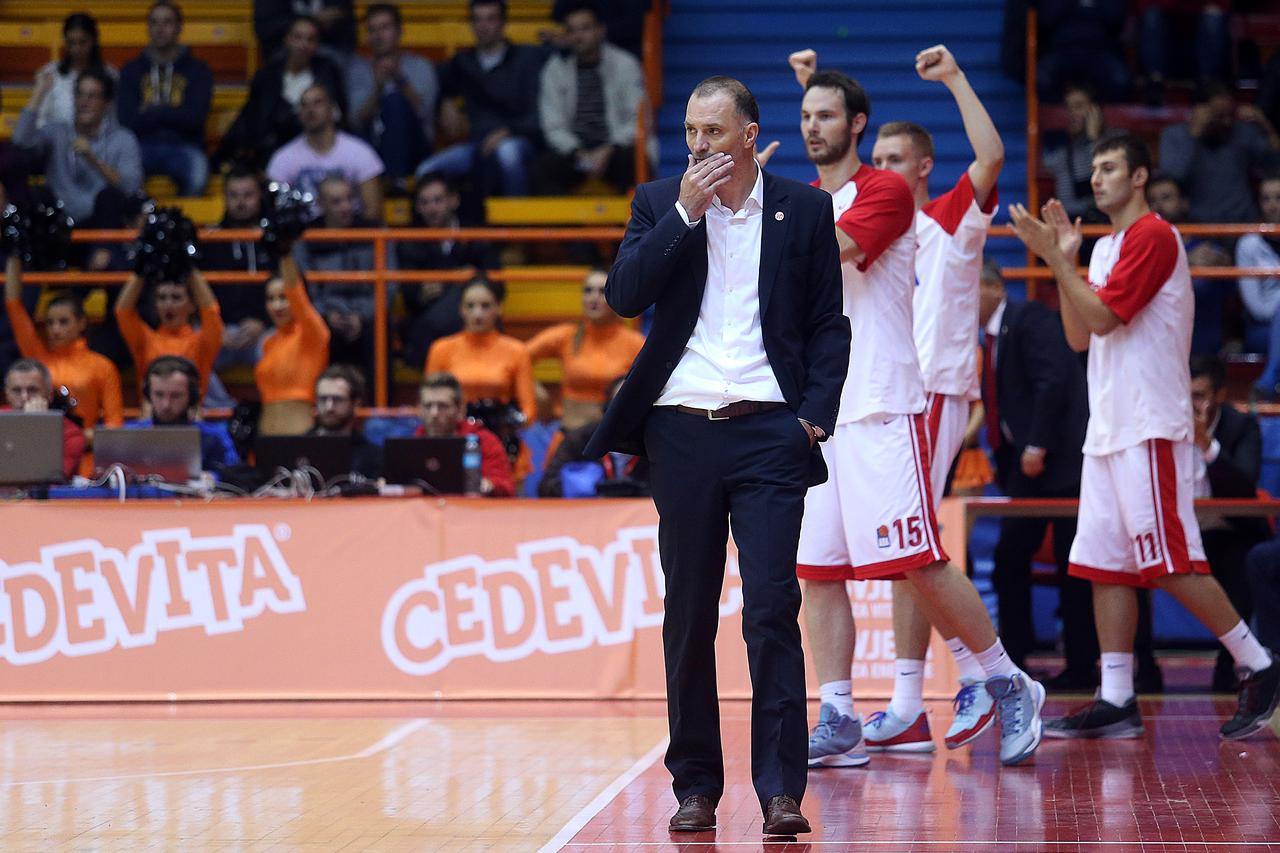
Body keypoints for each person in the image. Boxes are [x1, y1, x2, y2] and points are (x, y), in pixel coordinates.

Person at [582, 76, 851, 837]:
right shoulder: (657, 201)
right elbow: (626, 294)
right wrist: (681, 215)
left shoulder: (803, 208)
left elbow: (829, 327)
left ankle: (779, 792)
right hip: (682, 428)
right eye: (692, 131)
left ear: (747, 133)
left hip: (772, 429)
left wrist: (813, 419)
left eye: (712, 132)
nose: (698, 145)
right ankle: (695, 783)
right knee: (689, 610)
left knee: (771, 607)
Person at [782, 64, 1046, 768]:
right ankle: (836, 712)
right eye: (805, 114)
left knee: (918, 561)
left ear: (856, 125)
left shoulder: (887, 191)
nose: (814, 126)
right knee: (818, 570)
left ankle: (1004, 677)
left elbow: (826, 253)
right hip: (821, 411)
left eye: (827, 115)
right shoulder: (804, 200)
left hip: (885, 401)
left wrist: (750, 210)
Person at [1009, 131, 1280, 741]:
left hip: (1150, 424)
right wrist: (1069, 260)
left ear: (1138, 177)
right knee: (1107, 565)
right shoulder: (1105, 249)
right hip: (1109, 428)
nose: (1095, 177)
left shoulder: (1156, 235)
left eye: (1108, 168)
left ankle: (1259, 664)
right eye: (1094, 167)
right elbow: (1082, 337)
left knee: (1169, 560)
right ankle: (1116, 696)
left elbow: (1105, 316)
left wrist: (1055, 259)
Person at [976, 260, 1097, 689]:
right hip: (1028, 470)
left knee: (1074, 567)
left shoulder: (1028, 317)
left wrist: (1036, 445)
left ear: (990, 286)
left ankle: (1082, 669)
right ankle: (1016, 659)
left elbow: (1054, 381)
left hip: (1061, 464)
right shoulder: (992, 335)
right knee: (1009, 559)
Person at [415, 0, 548, 197]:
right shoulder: (463, 62)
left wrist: (507, 132)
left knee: (508, 153)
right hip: (477, 146)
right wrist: (444, 100)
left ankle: (518, 222)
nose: (483, 26)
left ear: (503, 23)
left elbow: (544, 113)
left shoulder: (528, 58)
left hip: (521, 141)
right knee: (426, 171)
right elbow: (432, 78)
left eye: (490, 19)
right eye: (477, 20)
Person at [1190, 354, 1268, 692]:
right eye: (1184, 394)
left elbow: (1245, 486)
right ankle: (1141, 667)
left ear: (1219, 394)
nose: (1190, 403)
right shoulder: (1161, 423)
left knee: (1244, 559)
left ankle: (1231, 667)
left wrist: (1206, 444)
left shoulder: (1241, 426)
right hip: (1177, 528)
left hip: (1228, 528)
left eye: (1198, 395)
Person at [532, 1, 651, 195]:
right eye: (572, 31)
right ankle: (559, 225)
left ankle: (635, 222)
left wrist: (608, 149)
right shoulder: (554, 69)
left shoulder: (625, 65)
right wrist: (577, 152)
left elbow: (638, 119)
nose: (578, 36)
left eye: (585, 29)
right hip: (574, 152)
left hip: (614, 150)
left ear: (601, 30)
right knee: (541, 168)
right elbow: (552, 124)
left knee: (633, 161)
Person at [4, 255, 123, 443]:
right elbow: (13, 305)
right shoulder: (37, 359)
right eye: (50, 323)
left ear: (82, 322)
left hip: (84, 457)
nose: (55, 329)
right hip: (34, 445)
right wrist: (15, 254)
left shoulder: (102, 366)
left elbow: (114, 427)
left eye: (63, 322)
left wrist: (69, 439)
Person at [217, 16, 349, 172]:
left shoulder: (328, 73)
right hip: (271, 152)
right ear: (287, 39)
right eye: (298, 37)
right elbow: (252, 119)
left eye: (310, 39)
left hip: (318, 145)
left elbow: (339, 115)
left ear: (317, 44)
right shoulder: (267, 76)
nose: (303, 44)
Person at [12, 68, 142, 223]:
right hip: (60, 221)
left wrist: (92, 159)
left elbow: (130, 188)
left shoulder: (123, 139)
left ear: (106, 102)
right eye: (79, 94)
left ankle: (103, 248)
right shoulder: (57, 132)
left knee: (110, 198)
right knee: (37, 194)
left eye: (92, 96)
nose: (84, 102)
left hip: (102, 221)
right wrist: (39, 92)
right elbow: (20, 140)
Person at [396, 173, 499, 367]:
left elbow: (497, 285)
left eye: (437, 200)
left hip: (465, 322)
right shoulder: (409, 241)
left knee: (468, 294)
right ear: (417, 207)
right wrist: (457, 279)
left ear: (454, 200)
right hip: (427, 317)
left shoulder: (476, 233)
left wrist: (453, 283)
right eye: (424, 203)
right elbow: (410, 294)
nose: (431, 209)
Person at [525, 268, 645, 430]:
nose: (594, 298)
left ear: (617, 297)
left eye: (602, 291)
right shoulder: (566, 336)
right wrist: (539, 394)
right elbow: (517, 357)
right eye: (588, 291)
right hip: (569, 434)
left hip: (613, 439)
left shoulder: (634, 342)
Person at [293, 176, 385, 382]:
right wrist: (327, 314)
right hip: (326, 313)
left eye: (349, 199)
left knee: (380, 329)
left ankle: (379, 408)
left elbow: (388, 285)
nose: (345, 207)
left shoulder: (375, 231)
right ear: (321, 204)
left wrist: (361, 315)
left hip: (367, 314)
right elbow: (305, 289)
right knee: (316, 330)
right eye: (336, 201)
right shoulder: (306, 238)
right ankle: (322, 406)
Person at [116, 1, 213, 197]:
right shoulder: (131, 70)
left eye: (167, 22)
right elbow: (127, 121)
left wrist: (152, 110)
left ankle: (185, 226)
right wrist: (174, 113)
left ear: (179, 27)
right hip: (139, 147)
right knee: (120, 177)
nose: (160, 29)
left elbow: (195, 120)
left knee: (198, 173)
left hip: (184, 146)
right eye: (154, 22)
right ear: (148, 27)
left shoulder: (198, 70)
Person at [1158, 82, 1280, 224]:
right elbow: (1173, 177)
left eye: (1230, 115)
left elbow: (1276, 165)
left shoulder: (1242, 132)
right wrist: (1193, 135)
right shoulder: (1174, 135)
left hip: (1242, 222)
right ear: (1199, 112)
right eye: (1219, 116)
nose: (1227, 122)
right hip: (1197, 224)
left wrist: (1265, 126)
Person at [425, 275, 536, 426]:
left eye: (485, 306)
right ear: (461, 309)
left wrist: (510, 423)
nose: (477, 314)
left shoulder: (517, 351)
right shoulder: (441, 349)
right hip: (455, 433)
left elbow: (529, 410)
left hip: (501, 434)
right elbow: (430, 401)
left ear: (498, 308)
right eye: (470, 306)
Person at [346, 3, 439, 184]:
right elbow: (355, 121)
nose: (378, 36)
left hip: (414, 147)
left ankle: (395, 182)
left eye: (384, 28)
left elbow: (424, 113)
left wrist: (399, 79)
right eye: (372, 30)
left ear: (399, 31)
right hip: (372, 145)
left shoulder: (420, 66)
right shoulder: (357, 69)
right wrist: (378, 89)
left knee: (395, 101)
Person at [266, 83, 385, 220]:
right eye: (304, 105)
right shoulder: (283, 158)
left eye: (317, 103)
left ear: (333, 109)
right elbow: (276, 211)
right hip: (303, 237)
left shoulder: (360, 152)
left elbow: (373, 212)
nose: (310, 110)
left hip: (351, 234)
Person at [1147, 174, 1233, 355]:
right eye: (1152, 201)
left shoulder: (1206, 247)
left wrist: (1223, 260)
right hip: (1156, 346)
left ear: (1184, 203)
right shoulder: (1143, 248)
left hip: (1202, 345)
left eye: (1166, 198)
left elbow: (1229, 291)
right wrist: (1186, 261)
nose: (1158, 206)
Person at [115, 265, 224, 400]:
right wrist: (141, 268)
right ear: (155, 304)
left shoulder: (201, 342)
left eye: (176, 297)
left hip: (189, 419)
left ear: (192, 306)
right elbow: (123, 312)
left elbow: (211, 312)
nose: (168, 304)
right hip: (151, 419)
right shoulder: (145, 340)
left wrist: (189, 267)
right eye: (162, 298)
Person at [204, 167, 272, 370]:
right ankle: (222, 402)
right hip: (220, 330)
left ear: (259, 195)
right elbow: (197, 292)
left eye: (248, 195)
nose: (241, 202)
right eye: (234, 195)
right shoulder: (209, 240)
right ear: (224, 197)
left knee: (278, 348)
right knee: (191, 348)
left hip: (263, 329)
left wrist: (263, 322)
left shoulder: (274, 241)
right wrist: (215, 328)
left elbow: (286, 288)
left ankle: (274, 404)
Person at [255, 254, 330, 435]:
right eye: (271, 299)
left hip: (302, 441)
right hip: (265, 440)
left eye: (283, 297)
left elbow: (297, 293)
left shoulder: (313, 334)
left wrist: (284, 253)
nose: (277, 305)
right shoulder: (268, 343)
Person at [537, 376, 648, 498]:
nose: (628, 413)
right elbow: (546, 486)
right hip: (589, 513)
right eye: (621, 405)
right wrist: (578, 487)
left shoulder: (659, 444)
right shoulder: (580, 440)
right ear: (607, 409)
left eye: (636, 405)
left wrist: (641, 490)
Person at [128, 355, 239, 471]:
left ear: (192, 397)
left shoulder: (213, 436)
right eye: (159, 394)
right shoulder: (127, 435)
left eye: (176, 396)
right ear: (147, 394)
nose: (166, 405)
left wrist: (212, 478)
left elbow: (234, 477)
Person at [415, 371, 514, 497]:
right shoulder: (409, 446)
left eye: (443, 406)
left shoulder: (484, 441)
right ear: (419, 409)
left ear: (460, 410)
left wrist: (490, 485)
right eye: (428, 406)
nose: (434, 413)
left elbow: (506, 486)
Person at [3, 358, 86, 479]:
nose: (24, 397)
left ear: (49, 395)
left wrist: (35, 428)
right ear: (7, 394)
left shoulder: (71, 434)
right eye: (16, 391)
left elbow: (48, 478)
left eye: (32, 390)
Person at [31, 13, 115, 130]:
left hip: (100, 145)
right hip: (56, 143)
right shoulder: (50, 73)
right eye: (71, 43)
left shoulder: (110, 75)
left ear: (94, 41)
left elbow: (114, 120)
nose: (76, 49)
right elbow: (40, 120)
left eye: (82, 42)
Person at [1236, 175, 1280, 398]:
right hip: (1262, 329)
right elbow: (1257, 308)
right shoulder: (1248, 244)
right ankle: (1268, 382)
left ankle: (1267, 384)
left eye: (1279, 198)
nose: (1272, 204)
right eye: (1266, 198)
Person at [1042, 83, 1106, 222]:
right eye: (1067, 107)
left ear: (1095, 110)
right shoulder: (1061, 152)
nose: (1071, 114)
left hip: (1103, 221)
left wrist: (1093, 138)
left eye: (1078, 106)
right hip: (1073, 222)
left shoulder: (1112, 141)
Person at [308, 364, 379, 479]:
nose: (329, 407)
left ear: (356, 402)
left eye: (337, 399)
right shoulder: (296, 450)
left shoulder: (373, 457)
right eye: (323, 399)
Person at [254, 0, 355, 62]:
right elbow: (265, 28)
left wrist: (331, 25)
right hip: (284, 51)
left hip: (330, 49)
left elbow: (348, 29)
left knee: (356, 68)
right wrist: (314, 20)